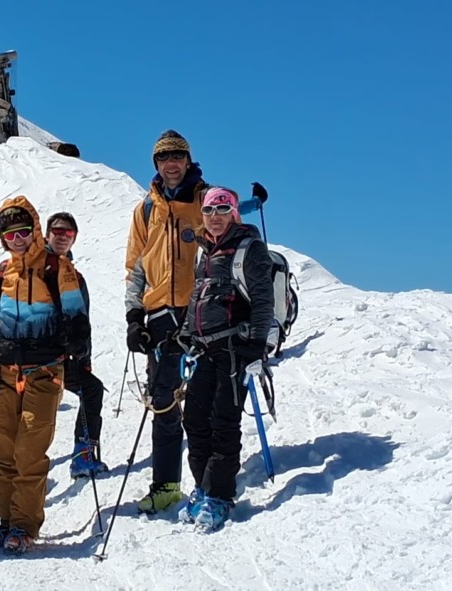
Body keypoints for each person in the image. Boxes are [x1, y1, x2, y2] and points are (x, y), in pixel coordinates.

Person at [0, 197, 88, 553]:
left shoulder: (57, 269)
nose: (18, 239)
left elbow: (76, 317)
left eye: (24, 231)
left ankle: (25, 524)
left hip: (44, 370)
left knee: (30, 449)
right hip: (5, 372)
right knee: (5, 451)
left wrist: (78, 347)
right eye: (9, 233)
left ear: (35, 230)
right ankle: (6, 520)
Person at [124, 129, 210, 514]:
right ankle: (167, 484)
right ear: (157, 165)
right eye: (164, 158)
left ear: (188, 161)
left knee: (206, 400)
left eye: (178, 157)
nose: (171, 164)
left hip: (203, 312)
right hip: (159, 315)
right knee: (164, 402)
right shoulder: (146, 210)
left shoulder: (207, 202)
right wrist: (133, 317)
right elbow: (136, 268)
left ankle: (211, 484)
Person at [179, 187, 274, 532]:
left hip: (235, 348)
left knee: (223, 422)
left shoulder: (249, 248)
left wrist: (257, 345)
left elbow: (263, 300)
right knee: (194, 420)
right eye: (209, 210)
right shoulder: (204, 251)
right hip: (205, 349)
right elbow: (199, 298)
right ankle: (203, 486)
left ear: (234, 212)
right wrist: (188, 334)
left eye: (222, 209)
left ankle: (219, 495)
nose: (215, 216)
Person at [43, 212, 109, 478]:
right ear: (47, 235)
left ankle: (83, 456)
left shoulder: (75, 276)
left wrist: (84, 355)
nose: (62, 237)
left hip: (66, 355)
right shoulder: (35, 268)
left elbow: (82, 317)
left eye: (67, 233)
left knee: (91, 389)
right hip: (39, 356)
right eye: (57, 232)